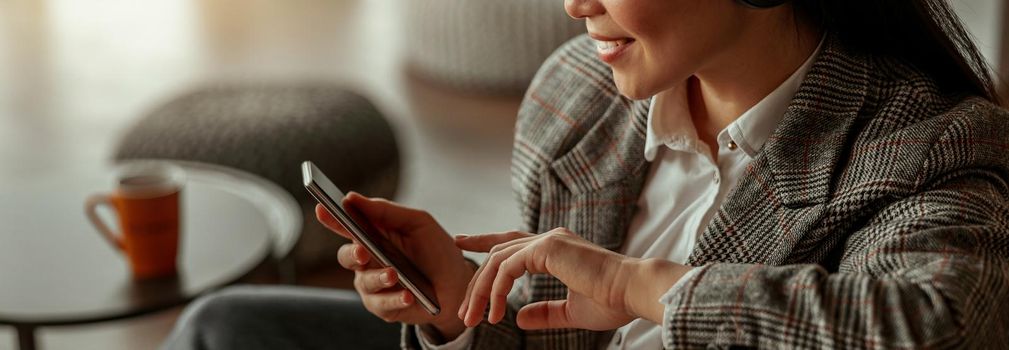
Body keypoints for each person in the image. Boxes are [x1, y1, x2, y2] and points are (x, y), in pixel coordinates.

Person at [163, 0, 1009, 348]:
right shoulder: (577, 92)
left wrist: (636, 283)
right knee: (226, 323)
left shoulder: (928, 145)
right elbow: (566, 332)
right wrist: (465, 307)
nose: (575, 3)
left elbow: (926, 322)